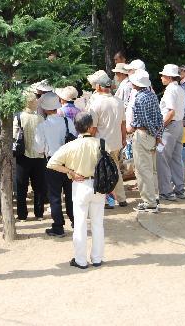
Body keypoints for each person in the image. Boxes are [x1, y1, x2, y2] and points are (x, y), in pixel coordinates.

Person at [46, 112, 106, 269]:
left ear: (77, 127)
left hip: (80, 184)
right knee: (98, 223)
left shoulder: (71, 145)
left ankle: (80, 260)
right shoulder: (101, 143)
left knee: (79, 223)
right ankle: (97, 258)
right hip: (99, 186)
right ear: (90, 127)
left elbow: (51, 163)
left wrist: (70, 172)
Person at [85, 70, 128, 207]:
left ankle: (109, 201)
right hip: (116, 141)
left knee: (104, 172)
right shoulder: (118, 102)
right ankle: (121, 198)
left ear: (98, 87)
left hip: (102, 143)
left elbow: (93, 127)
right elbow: (123, 123)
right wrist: (123, 139)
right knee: (115, 169)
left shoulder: (96, 104)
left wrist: (88, 139)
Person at [35, 93, 75, 237]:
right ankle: (75, 221)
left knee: (55, 196)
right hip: (69, 162)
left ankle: (58, 226)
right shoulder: (67, 122)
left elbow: (39, 148)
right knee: (71, 194)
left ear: (45, 109)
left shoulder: (42, 126)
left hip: (52, 162)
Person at [128, 70, 164, 212]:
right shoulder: (152, 95)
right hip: (152, 136)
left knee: (143, 170)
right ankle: (154, 197)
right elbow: (159, 118)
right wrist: (158, 135)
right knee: (152, 170)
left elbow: (144, 120)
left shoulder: (139, 98)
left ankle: (149, 202)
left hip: (143, 134)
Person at [156, 65, 185, 202]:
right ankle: (180, 189)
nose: (161, 77)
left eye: (163, 75)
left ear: (169, 77)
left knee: (162, 158)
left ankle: (166, 191)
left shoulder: (170, 90)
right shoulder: (180, 88)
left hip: (169, 126)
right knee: (176, 158)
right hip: (179, 125)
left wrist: (160, 128)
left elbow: (170, 111)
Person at [14, 92, 46, 221]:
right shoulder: (41, 118)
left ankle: (22, 215)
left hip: (23, 155)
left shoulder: (19, 117)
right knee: (39, 186)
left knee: (21, 186)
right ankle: (39, 214)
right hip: (39, 156)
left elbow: (14, 135)